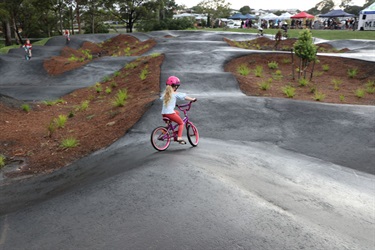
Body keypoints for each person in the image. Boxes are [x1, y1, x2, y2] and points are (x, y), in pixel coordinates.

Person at [160, 76, 197, 145]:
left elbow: (162, 98)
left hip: (163, 113)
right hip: (170, 113)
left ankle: (167, 127)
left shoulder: (165, 94)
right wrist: (192, 99)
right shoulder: (175, 94)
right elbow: (184, 97)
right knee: (181, 123)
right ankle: (179, 138)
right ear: (176, 86)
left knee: (177, 112)